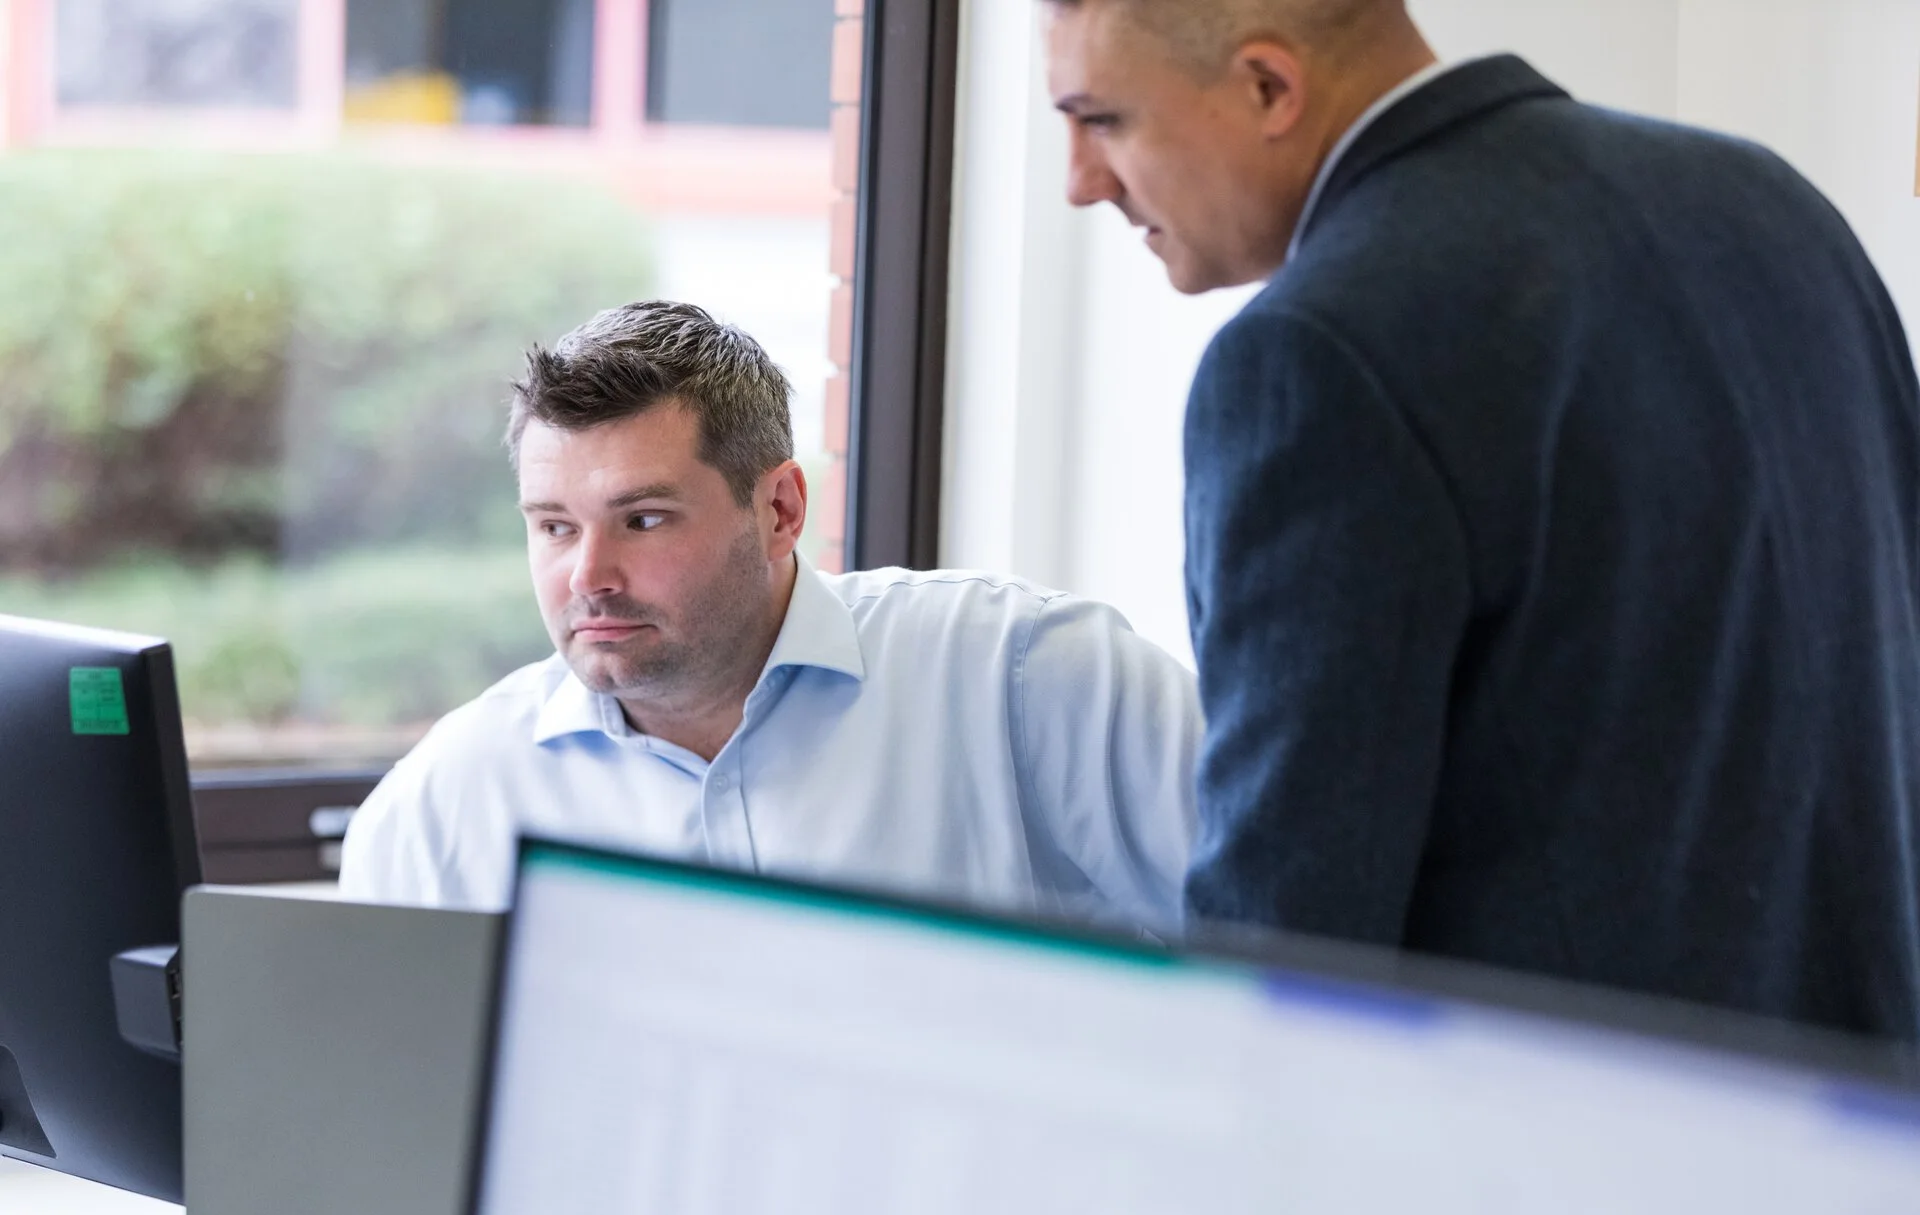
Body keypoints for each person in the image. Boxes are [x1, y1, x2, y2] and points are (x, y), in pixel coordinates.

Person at [1045, 0, 1920, 1039]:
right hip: (1868, 1136)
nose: (1080, 181)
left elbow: (1285, 943)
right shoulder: (1774, 203)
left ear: (1268, 88)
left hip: (1559, 1163)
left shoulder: (1316, 353)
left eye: (1102, 120)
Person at [338, 301, 1200, 933]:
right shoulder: (445, 804)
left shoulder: (1023, 678)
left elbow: (1302, 935)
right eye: (554, 527)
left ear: (781, 510)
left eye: (643, 520)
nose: (588, 576)